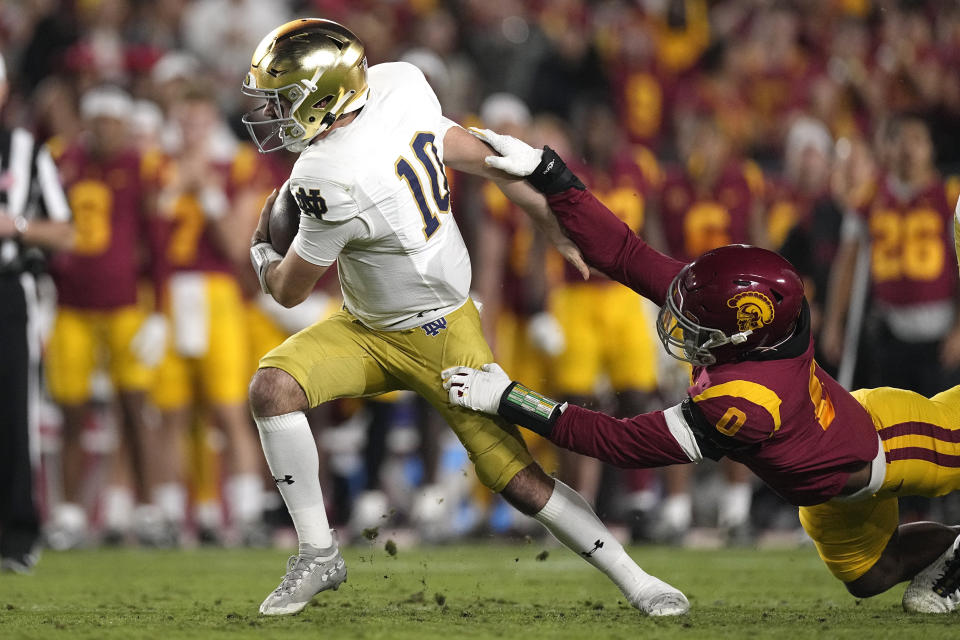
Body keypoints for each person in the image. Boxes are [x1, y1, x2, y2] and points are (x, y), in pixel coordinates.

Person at [242, 19, 687, 617]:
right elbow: (492, 159)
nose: (274, 112)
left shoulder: (329, 175)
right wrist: (550, 222)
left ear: (322, 95)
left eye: (284, 96)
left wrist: (261, 250)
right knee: (273, 389)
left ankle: (638, 579)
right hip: (367, 326)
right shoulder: (398, 84)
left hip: (440, 331)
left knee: (519, 479)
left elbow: (288, 292)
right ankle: (318, 554)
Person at [443, 129, 960, 614]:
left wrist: (512, 397)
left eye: (698, 325)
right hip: (829, 485)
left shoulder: (745, 401)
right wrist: (553, 174)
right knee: (869, 577)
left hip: (886, 443)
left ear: (742, 332)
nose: (683, 329)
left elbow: (615, 442)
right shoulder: (753, 325)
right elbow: (623, 252)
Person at [44, 85, 165, 548]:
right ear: (87, 122)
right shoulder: (64, 161)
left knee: (135, 408)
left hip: (124, 306)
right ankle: (70, 512)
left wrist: (161, 313)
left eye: (114, 121)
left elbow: (155, 244)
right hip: (70, 305)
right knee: (71, 412)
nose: (106, 129)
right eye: (99, 120)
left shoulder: (140, 167)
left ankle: (149, 507)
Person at [0, 52, 74, 572]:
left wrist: (15, 226)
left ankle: (17, 534)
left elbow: (66, 230)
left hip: (6, 288)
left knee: (12, 411)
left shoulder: (25, 149)